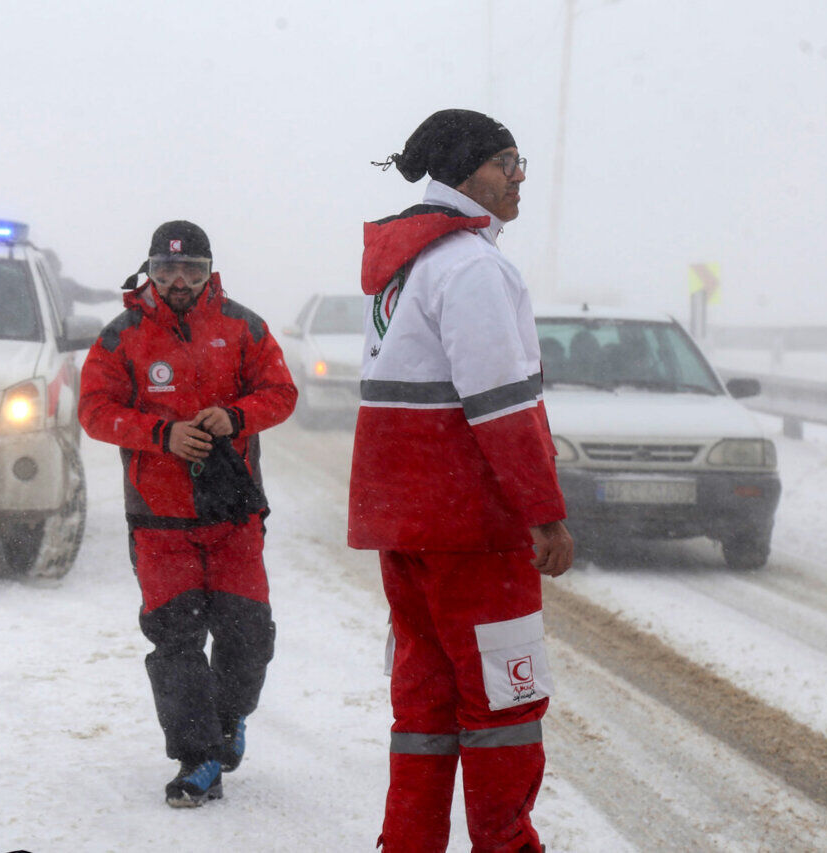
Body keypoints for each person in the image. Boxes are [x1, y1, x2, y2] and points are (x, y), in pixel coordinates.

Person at [348, 109, 574, 852]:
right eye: (508, 162)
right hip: (472, 528)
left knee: (427, 704)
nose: (517, 180)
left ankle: (407, 842)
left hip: (407, 524)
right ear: (466, 169)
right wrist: (543, 512)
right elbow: (502, 405)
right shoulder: (473, 265)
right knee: (505, 701)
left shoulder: (407, 263)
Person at [78, 220, 297, 807]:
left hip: (234, 517)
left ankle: (230, 721)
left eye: (192, 270)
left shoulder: (243, 326)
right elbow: (95, 412)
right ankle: (198, 759)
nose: (179, 281)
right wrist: (159, 433)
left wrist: (238, 416)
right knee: (175, 643)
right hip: (159, 521)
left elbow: (282, 393)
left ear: (209, 272)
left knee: (247, 636)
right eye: (167, 269)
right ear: (149, 269)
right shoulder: (120, 336)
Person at [40, 247, 118, 316]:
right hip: (62, 330)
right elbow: (91, 296)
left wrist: (114, 296)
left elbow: (91, 296)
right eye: (52, 266)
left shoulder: (66, 287)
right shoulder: (66, 287)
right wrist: (114, 296)